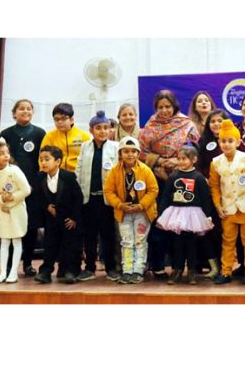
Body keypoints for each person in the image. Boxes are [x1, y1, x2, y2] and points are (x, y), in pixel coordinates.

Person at [139, 90, 199, 279]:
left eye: (168, 106)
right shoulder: (150, 126)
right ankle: (157, 265)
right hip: (156, 179)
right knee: (160, 221)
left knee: (182, 223)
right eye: (160, 107)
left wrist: (177, 161)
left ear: (174, 107)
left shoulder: (187, 124)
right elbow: (141, 152)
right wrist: (159, 161)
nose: (164, 110)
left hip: (182, 179)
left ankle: (180, 266)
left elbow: (194, 146)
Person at [209, 119, 245, 285]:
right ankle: (226, 272)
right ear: (219, 143)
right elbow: (215, 187)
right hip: (228, 208)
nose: (227, 144)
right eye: (223, 141)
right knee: (228, 241)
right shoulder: (215, 162)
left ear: (238, 142)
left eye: (230, 141)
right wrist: (218, 206)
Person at [196, 109, 245, 279]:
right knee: (216, 231)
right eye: (213, 121)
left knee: (239, 233)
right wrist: (206, 179)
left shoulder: (238, 142)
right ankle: (218, 265)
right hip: (212, 193)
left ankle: (244, 265)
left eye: (220, 120)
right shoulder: (203, 142)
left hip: (236, 196)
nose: (216, 124)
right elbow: (199, 165)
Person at [0, 99, 46, 277]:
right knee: (11, 225)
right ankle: (10, 265)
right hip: (10, 187)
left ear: (32, 112)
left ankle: (27, 263)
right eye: (21, 108)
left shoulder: (40, 133)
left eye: (28, 108)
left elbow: (44, 159)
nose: (25, 111)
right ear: (14, 113)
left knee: (30, 225)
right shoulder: (5, 134)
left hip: (32, 187)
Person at [104, 136, 159, 284]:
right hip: (124, 213)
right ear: (120, 153)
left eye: (133, 151)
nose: (130, 154)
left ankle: (138, 269)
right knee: (127, 241)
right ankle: (127, 270)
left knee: (140, 241)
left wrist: (141, 205)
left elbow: (153, 190)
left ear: (138, 153)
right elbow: (108, 191)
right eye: (126, 151)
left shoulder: (145, 170)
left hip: (142, 212)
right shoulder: (114, 171)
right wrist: (120, 205)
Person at [157, 144, 214, 285]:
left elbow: (205, 198)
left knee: (191, 244)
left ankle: (192, 271)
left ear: (194, 159)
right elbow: (166, 196)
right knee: (176, 244)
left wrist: (208, 215)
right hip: (176, 212)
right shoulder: (173, 176)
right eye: (179, 158)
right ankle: (177, 270)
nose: (181, 161)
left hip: (193, 214)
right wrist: (161, 212)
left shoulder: (199, 177)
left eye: (184, 159)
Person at [75, 111, 121, 282]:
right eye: (98, 128)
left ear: (110, 130)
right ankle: (89, 268)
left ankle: (111, 267)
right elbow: (79, 171)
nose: (102, 131)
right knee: (89, 235)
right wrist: (79, 194)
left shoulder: (115, 148)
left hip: (107, 200)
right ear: (91, 130)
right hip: (89, 199)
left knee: (108, 234)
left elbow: (118, 173)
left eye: (105, 128)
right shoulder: (85, 147)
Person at [0, 139, 32, 283]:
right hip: (2, 211)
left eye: (7, 153)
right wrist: (1, 200)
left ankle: (13, 272)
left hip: (17, 210)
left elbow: (26, 190)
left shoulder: (14, 170)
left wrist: (11, 198)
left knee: (16, 240)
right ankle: (3, 272)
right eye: (1, 153)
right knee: (4, 240)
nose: (6, 156)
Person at [33, 145, 84, 284]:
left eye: (47, 159)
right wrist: (47, 206)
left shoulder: (68, 176)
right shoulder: (39, 177)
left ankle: (70, 271)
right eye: (41, 159)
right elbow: (37, 197)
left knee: (69, 245)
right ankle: (45, 271)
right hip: (51, 219)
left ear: (58, 161)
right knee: (50, 244)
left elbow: (78, 199)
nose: (43, 162)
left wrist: (74, 218)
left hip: (68, 218)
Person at [39, 102, 90, 172]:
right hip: (56, 175)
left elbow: (89, 160)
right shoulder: (49, 136)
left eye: (63, 119)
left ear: (71, 120)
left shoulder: (84, 136)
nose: (60, 122)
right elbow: (42, 158)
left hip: (78, 174)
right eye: (56, 119)